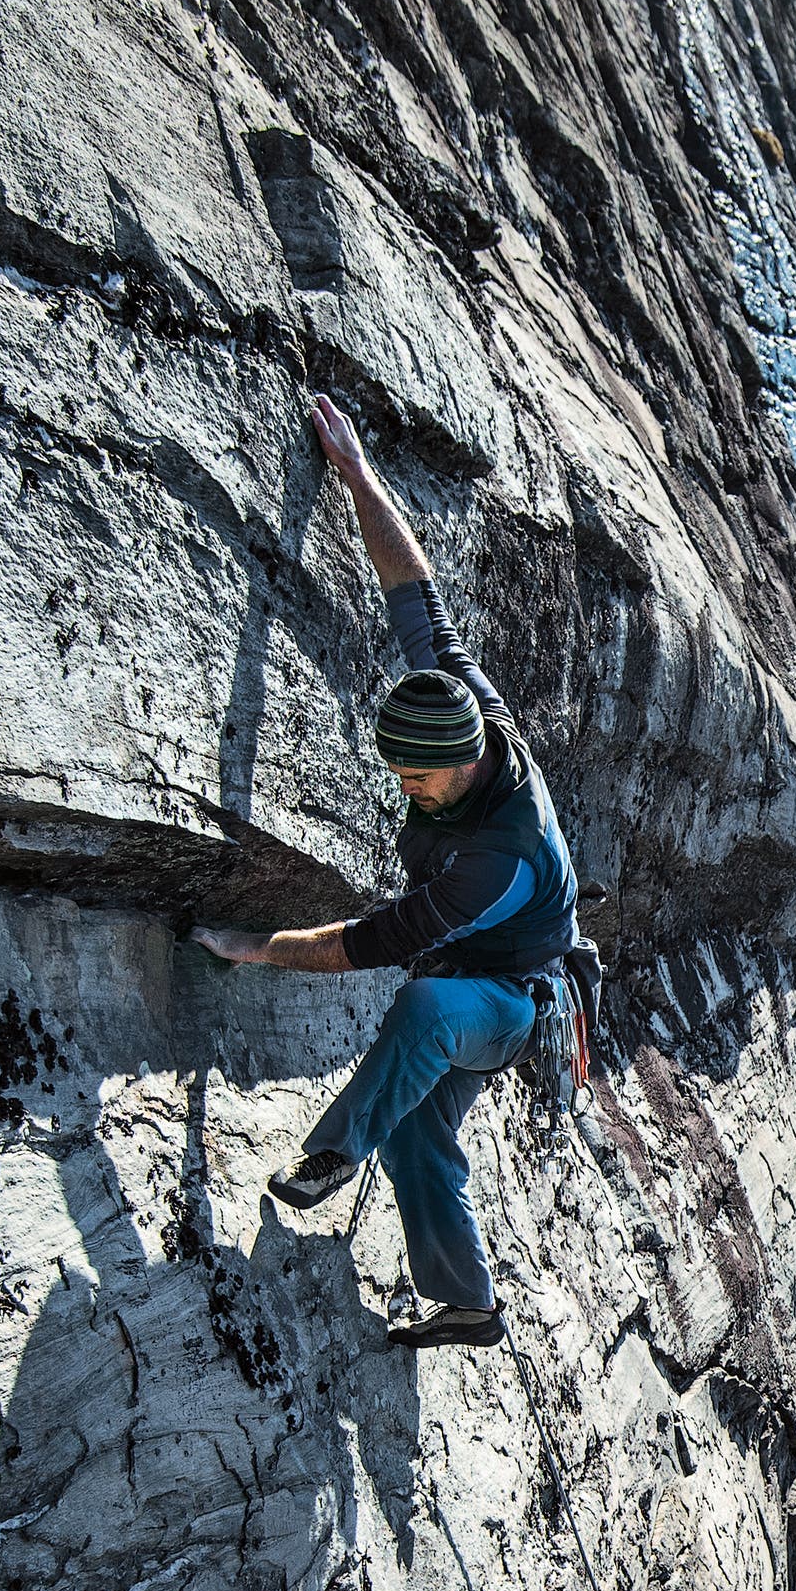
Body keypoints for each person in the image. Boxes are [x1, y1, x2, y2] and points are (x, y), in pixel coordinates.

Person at [195, 394, 581, 1351]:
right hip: (477, 978)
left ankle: (330, 1154)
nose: (408, 789)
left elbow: (374, 944)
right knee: (421, 1138)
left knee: (423, 1013)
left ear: (468, 762)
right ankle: (470, 1306)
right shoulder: (463, 707)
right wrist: (359, 474)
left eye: (419, 777)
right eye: (398, 772)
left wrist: (253, 947)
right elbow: (414, 593)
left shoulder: (499, 854)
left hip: (511, 1003)